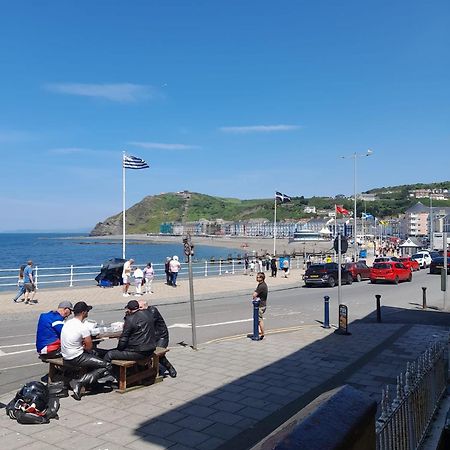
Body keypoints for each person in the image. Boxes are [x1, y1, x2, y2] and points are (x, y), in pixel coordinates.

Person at [61, 301, 114, 401]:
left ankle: (93, 383)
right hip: (76, 357)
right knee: (107, 365)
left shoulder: (67, 323)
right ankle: (80, 382)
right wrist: (84, 345)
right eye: (87, 311)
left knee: (96, 353)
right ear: (83, 313)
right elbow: (89, 347)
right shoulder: (82, 327)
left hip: (66, 355)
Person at [103, 300, 156, 364]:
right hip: (151, 348)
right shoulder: (148, 314)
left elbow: (123, 339)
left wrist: (119, 349)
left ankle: (105, 373)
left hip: (139, 351)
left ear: (129, 309)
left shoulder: (130, 319)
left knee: (109, 354)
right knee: (113, 352)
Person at [138, 300, 177, 378]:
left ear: (146, 306)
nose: (139, 309)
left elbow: (147, 323)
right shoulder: (140, 313)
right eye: (138, 307)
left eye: (141, 307)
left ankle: (170, 368)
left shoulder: (152, 311)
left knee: (159, 354)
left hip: (161, 336)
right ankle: (153, 370)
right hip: (150, 338)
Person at [252, 272, 268, 340]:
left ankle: (262, 333)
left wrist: (254, 294)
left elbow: (254, 295)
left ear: (262, 278)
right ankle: (258, 332)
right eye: (257, 277)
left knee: (259, 320)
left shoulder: (261, 286)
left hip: (260, 305)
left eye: (258, 277)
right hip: (262, 304)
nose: (257, 278)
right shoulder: (262, 284)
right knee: (258, 319)